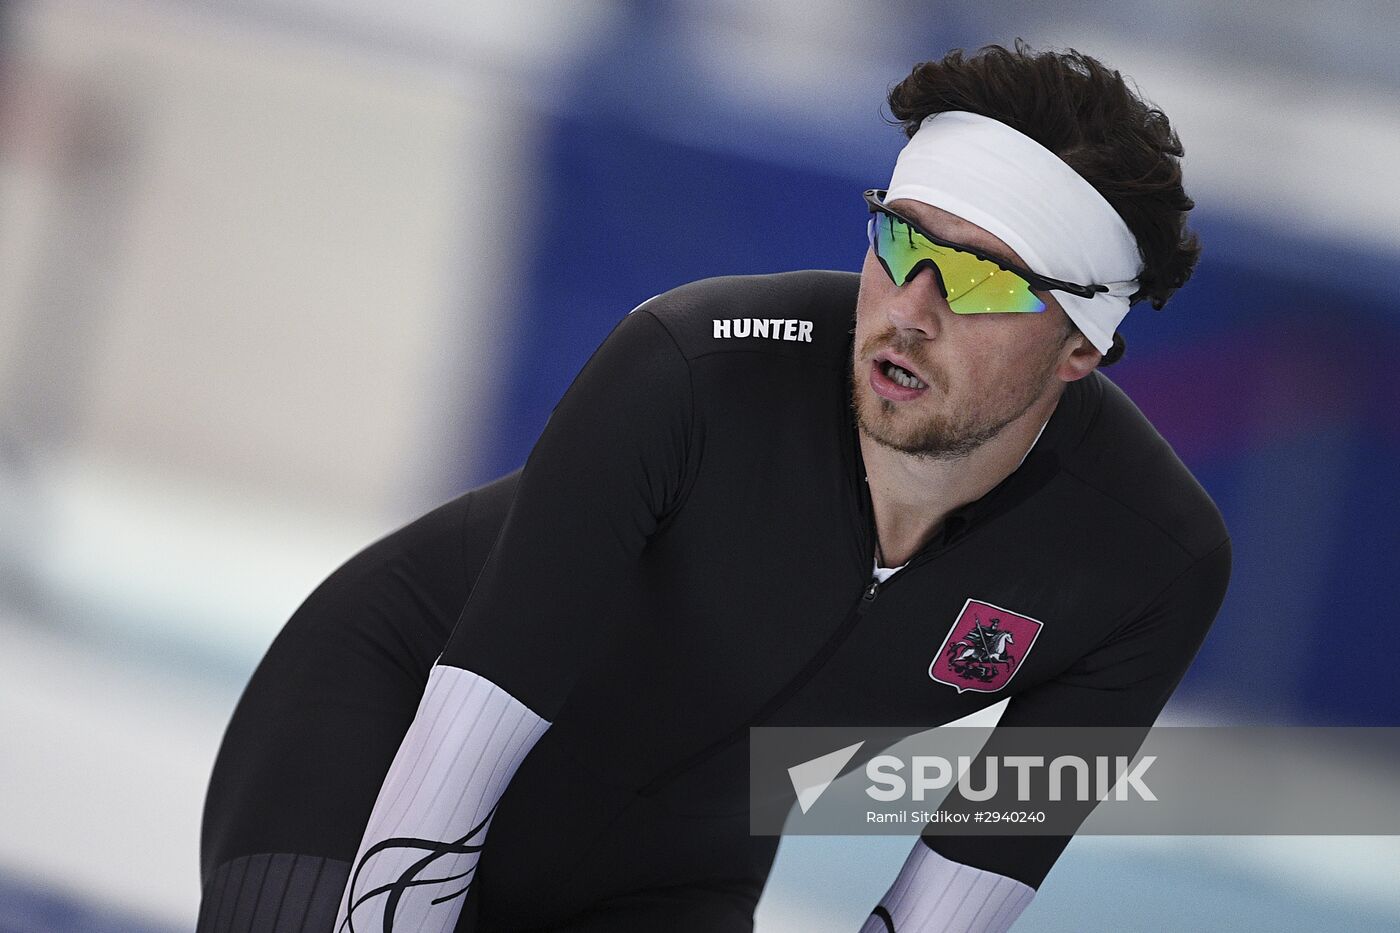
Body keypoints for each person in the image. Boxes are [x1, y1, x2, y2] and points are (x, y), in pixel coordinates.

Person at [197, 42, 1230, 933]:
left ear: (1080, 348)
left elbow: (964, 884)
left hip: (679, 858)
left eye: (984, 278)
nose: (910, 311)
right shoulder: (692, 371)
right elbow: (468, 734)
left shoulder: (1146, 564)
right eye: (899, 240)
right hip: (387, 731)